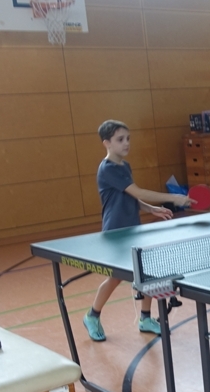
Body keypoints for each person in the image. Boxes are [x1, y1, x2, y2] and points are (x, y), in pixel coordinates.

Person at [83, 120, 193, 341]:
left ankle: (145, 318)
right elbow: (138, 191)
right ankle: (92, 316)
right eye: (120, 139)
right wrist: (174, 197)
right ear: (106, 143)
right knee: (115, 278)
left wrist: (150, 209)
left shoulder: (124, 166)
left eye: (128, 138)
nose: (126, 143)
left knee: (146, 274)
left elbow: (132, 196)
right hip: (115, 232)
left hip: (133, 228)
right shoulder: (108, 169)